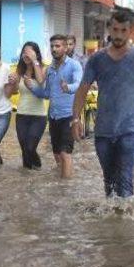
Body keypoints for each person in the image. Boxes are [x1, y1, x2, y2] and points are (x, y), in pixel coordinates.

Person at [71, 11, 134, 198]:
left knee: (125, 181)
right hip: (103, 132)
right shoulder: (96, 59)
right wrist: (75, 121)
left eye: (123, 30)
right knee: (109, 183)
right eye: (115, 30)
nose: (118, 35)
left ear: (130, 32)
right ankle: (111, 224)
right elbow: (82, 89)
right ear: (109, 29)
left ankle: (125, 222)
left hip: (130, 131)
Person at [26, 35, 83, 178]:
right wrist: (32, 87)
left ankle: (66, 187)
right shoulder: (50, 68)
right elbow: (46, 93)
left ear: (65, 47)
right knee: (57, 154)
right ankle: (61, 184)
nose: (54, 49)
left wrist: (68, 87)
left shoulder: (74, 65)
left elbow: (79, 85)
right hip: (53, 116)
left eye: (57, 46)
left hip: (68, 115)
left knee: (65, 153)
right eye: (52, 46)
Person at [10, 42, 46, 170]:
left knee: (30, 148)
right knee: (25, 150)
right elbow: (14, 91)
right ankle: (27, 182)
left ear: (36, 54)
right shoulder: (19, 70)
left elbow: (41, 82)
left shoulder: (43, 68)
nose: (26, 54)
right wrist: (13, 82)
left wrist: (34, 61)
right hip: (21, 115)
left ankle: (38, 167)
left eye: (30, 52)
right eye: (24, 52)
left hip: (39, 116)